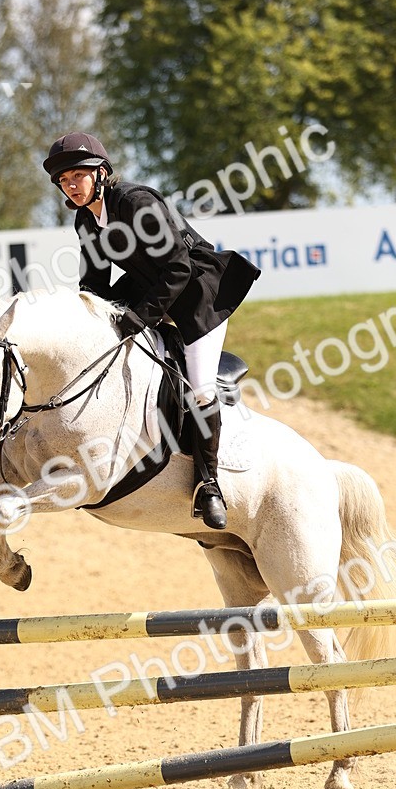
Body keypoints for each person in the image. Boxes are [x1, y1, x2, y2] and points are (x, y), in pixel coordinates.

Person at [43, 131, 260, 530]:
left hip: (198, 293)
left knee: (200, 388)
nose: (71, 185)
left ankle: (208, 485)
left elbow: (178, 268)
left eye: (78, 175)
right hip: (150, 287)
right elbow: (94, 282)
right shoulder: (85, 219)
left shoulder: (136, 203)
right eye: (64, 180)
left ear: (101, 173)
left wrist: (142, 316)